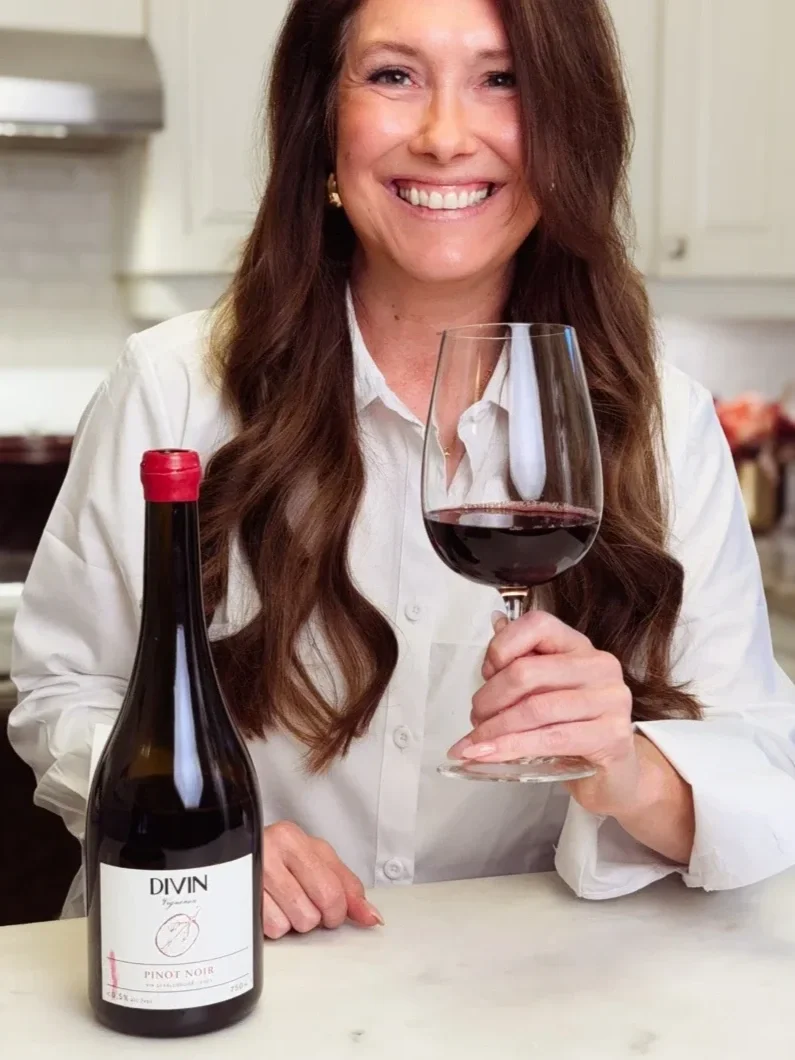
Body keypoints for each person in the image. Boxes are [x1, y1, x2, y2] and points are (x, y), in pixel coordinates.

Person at [9, 0, 795, 938]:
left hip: (531, 985)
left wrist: (624, 769)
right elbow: (66, 690)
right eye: (393, 75)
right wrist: (203, 831)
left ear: (569, 128)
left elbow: (758, 764)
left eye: (501, 79)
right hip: (219, 959)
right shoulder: (172, 388)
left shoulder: (661, 420)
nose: (444, 135)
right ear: (320, 118)